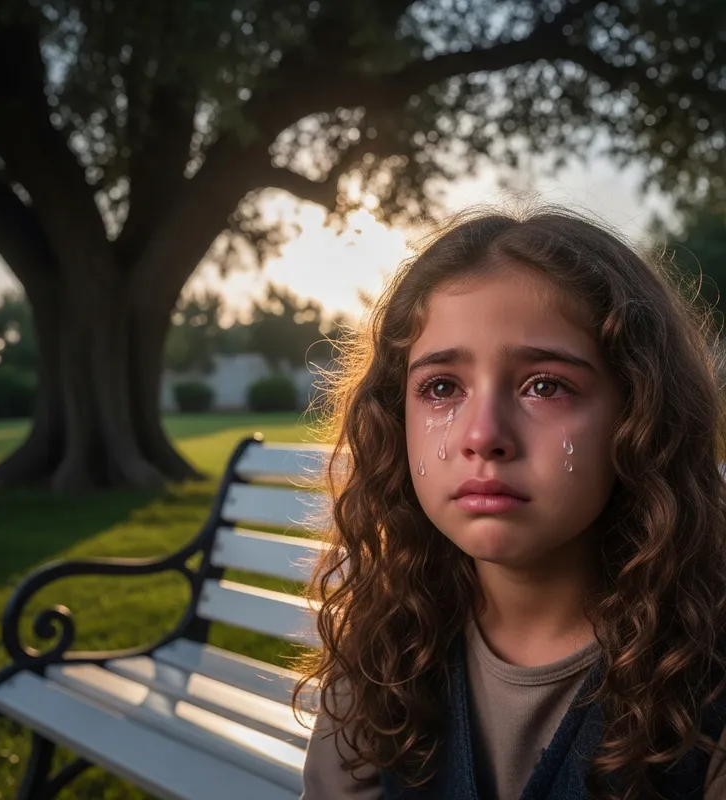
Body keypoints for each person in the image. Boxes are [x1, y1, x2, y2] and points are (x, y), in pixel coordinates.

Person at [289, 205, 726, 800]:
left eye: (544, 385)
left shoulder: (707, 686)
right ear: (397, 419)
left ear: (641, 416)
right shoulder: (382, 651)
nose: (481, 434)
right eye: (442, 388)